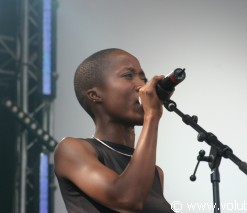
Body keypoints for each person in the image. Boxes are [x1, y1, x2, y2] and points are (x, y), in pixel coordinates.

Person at [54, 48, 174, 212]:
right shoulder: (71, 149)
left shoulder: (154, 173)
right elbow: (127, 199)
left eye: (143, 78)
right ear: (95, 95)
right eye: (128, 76)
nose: (142, 86)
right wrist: (152, 116)